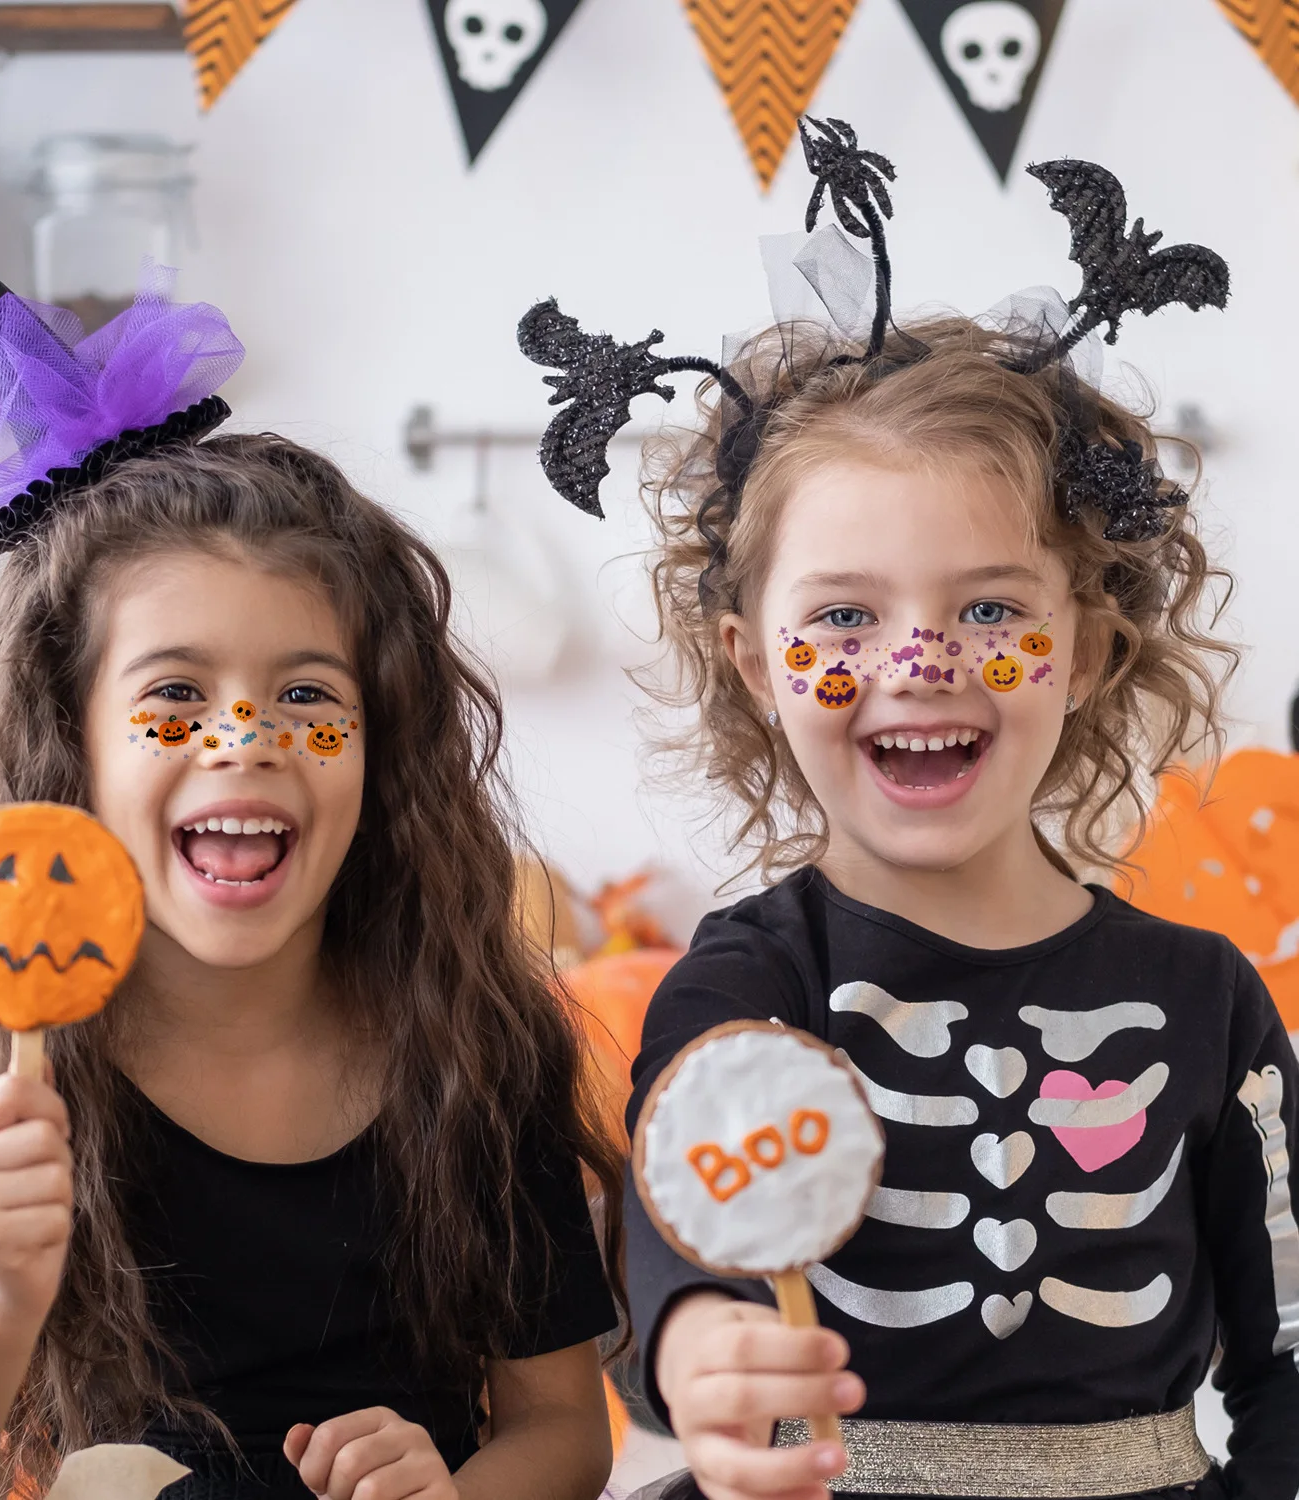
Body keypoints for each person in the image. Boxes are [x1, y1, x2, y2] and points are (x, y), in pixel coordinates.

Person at [517, 120, 1298, 1500]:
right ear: (754, 665)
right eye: (844, 618)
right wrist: (701, 1347)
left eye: (990, 609)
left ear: (1089, 649)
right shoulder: (750, 982)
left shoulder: (1207, 998)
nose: (919, 663)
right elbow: (682, 1222)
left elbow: (1286, 1339)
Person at [0, 241, 624, 1500]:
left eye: (307, 696)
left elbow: (566, 1435)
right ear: (71, 746)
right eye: (174, 697)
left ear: (382, 746)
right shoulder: (31, 1077)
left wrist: (454, 1492)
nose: (244, 739)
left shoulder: (475, 1049)